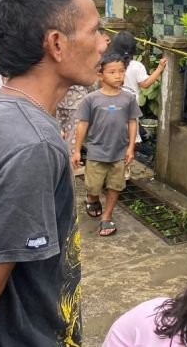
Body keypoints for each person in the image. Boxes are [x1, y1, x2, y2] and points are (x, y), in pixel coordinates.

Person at [0, 0, 106, 346]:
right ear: (57, 43)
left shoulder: (4, 114)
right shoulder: (35, 145)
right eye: (95, 31)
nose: (103, 44)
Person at [71, 51, 142, 237]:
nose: (118, 76)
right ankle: (92, 198)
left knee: (115, 185)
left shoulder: (128, 98)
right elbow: (82, 124)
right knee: (93, 185)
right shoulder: (91, 99)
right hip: (96, 151)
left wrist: (131, 147)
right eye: (112, 72)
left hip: (119, 152)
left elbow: (132, 121)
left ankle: (107, 216)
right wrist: (76, 150)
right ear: (100, 75)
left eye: (121, 71)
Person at [107, 30, 167, 97]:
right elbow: (145, 84)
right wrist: (159, 69)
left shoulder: (109, 64)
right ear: (133, 47)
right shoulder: (136, 66)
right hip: (131, 102)